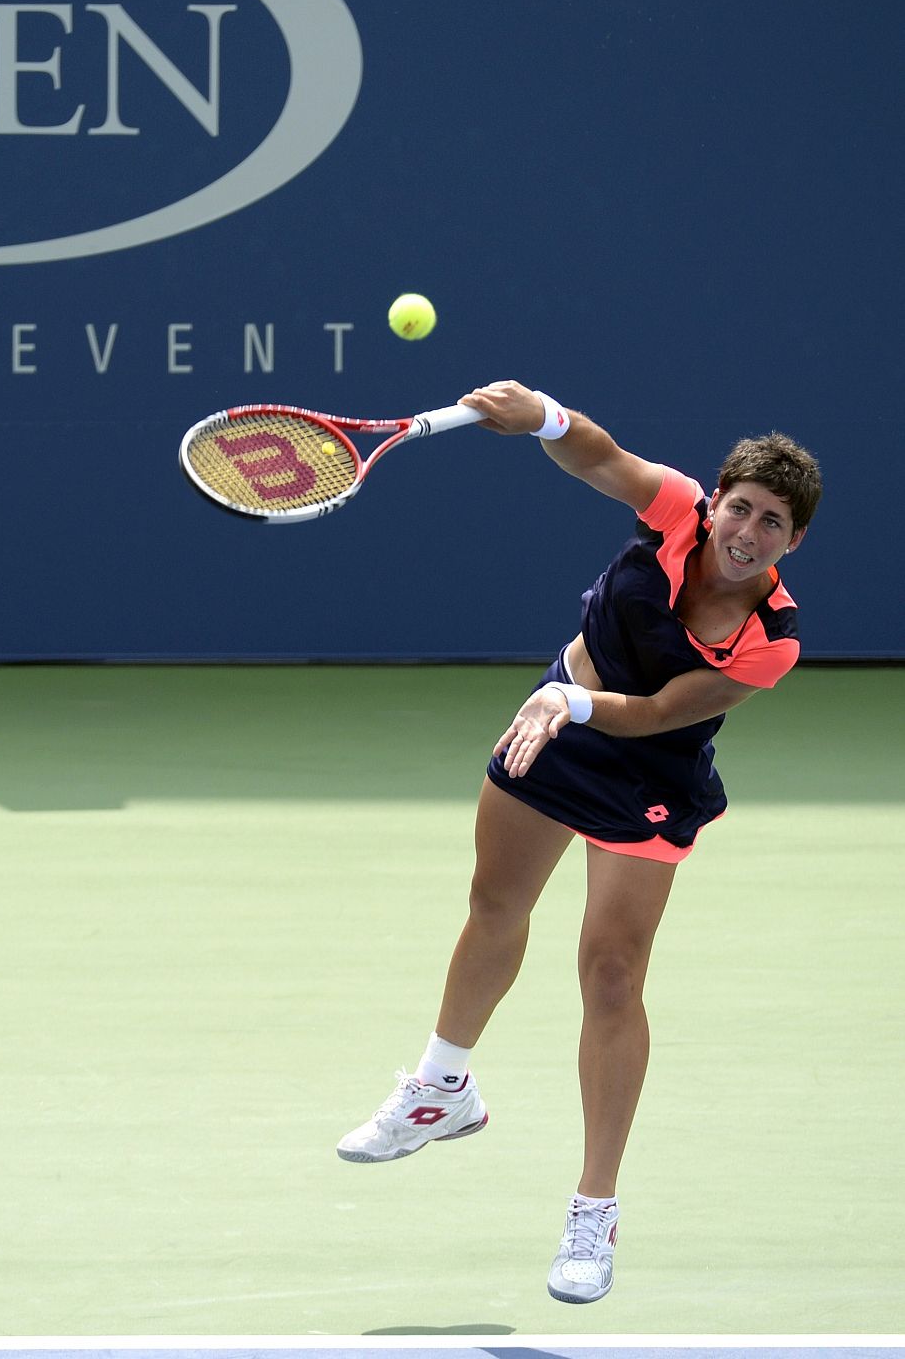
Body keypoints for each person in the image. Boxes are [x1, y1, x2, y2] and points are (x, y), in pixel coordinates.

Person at [335, 380, 822, 1304]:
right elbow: (600, 455)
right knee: (494, 905)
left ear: (793, 543)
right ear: (715, 502)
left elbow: (659, 716)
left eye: (773, 523)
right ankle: (442, 1091)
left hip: (646, 769)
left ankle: (592, 1215)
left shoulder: (773, 641)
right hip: (551, 723)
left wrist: (573, 702)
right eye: (742, 508)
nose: (748, 532)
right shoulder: (676, 509)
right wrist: (544, 418)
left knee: (610, 975)